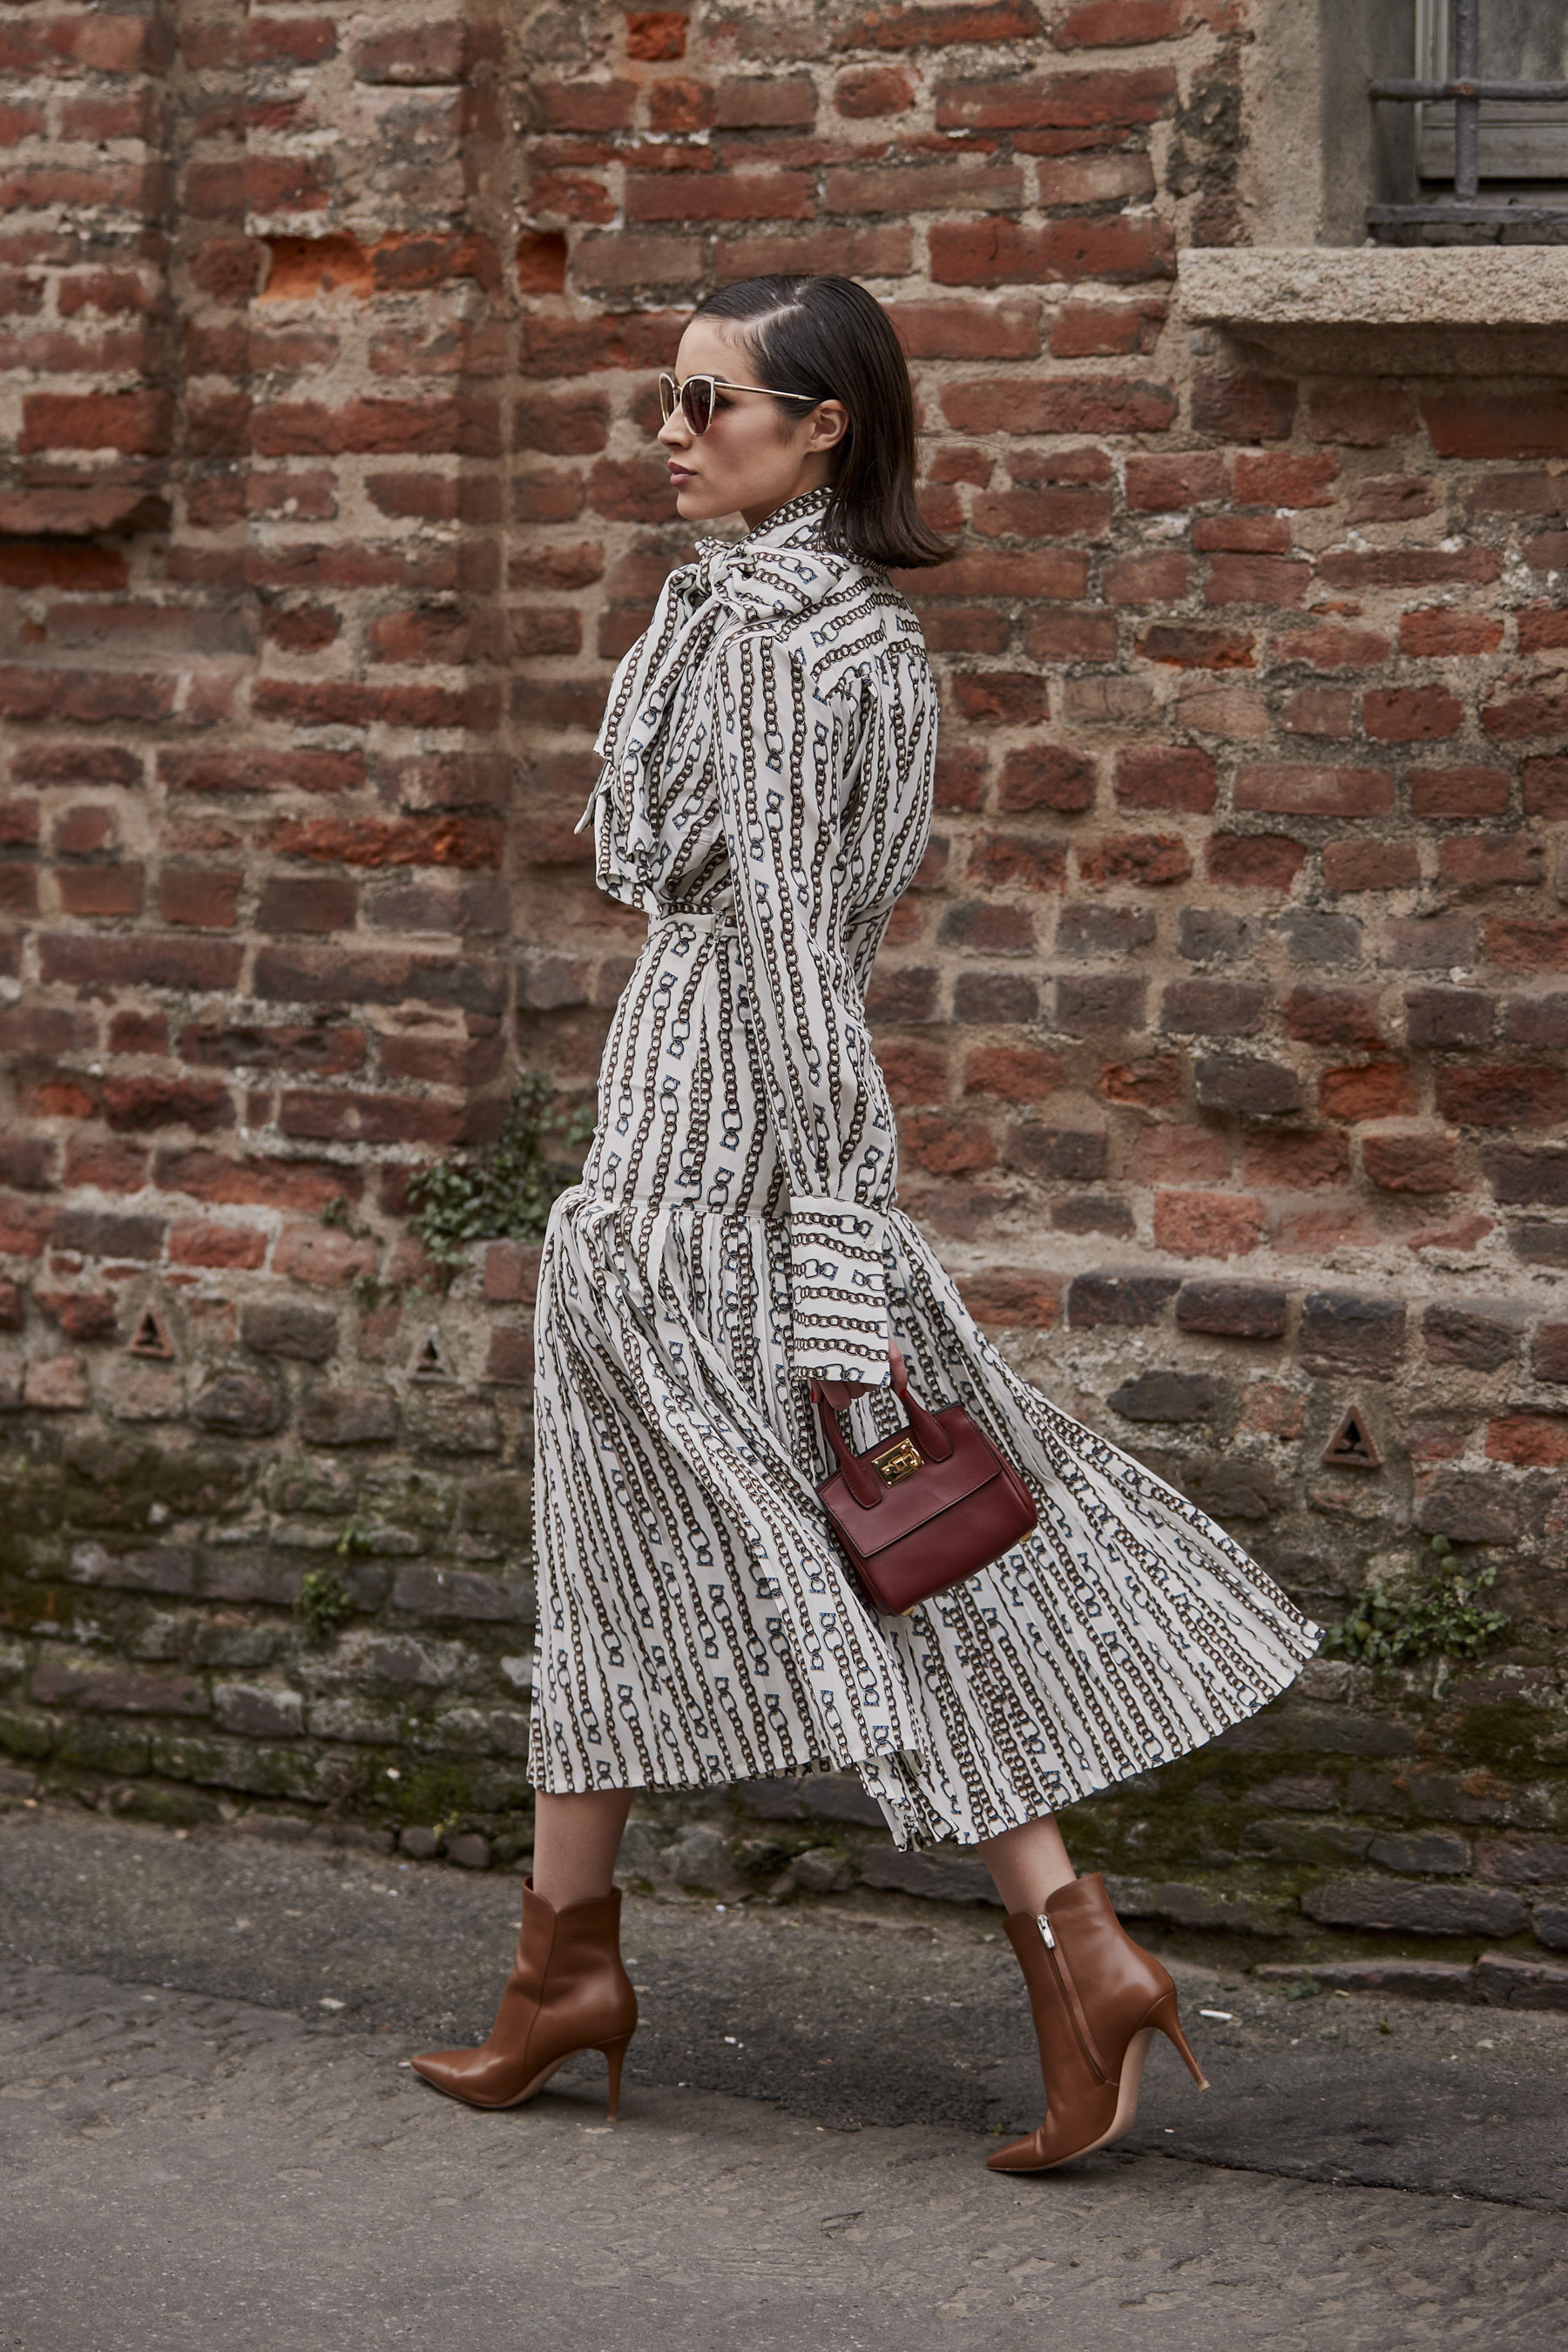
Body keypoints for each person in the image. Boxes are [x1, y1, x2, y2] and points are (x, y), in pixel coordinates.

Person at [411, 274, 1319, 2170]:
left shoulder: (779, 644)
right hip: (699, 1125)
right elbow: (692, 872)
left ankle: (1059, 1944)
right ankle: (574, 1969)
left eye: (711, 402)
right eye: (668, 397)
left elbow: (797, 955)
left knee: (847, 1545)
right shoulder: (823, 634)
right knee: (636, 1540)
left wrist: (833, 1221)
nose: (671, 432)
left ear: (823, 427)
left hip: (717, 1152)